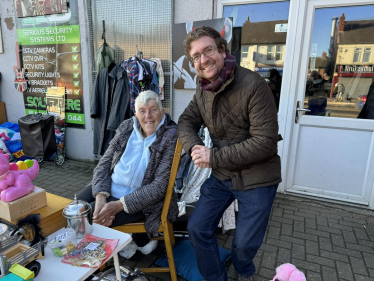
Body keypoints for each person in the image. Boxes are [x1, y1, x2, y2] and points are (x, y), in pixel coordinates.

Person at [177, 26, 281, 281]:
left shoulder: (254, 86)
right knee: (197, 228)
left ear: (222, 49)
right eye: (196, 57)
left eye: (208, 50)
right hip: (223, 176)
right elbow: (185, 122)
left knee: (244, 245)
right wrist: (193, 147)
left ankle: (244, 268)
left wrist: (213, 157)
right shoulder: (203, 90)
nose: (203, 60)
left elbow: (265, 142)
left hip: (257, 178)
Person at [78, 90, 178, 251]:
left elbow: (160, 186)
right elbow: (103, 164)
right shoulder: (126, 127)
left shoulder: (171, 136)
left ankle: (94, 260)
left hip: (141, 201)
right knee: (75, 209)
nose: (148, 116)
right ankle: (123, 243)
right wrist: (101, 197)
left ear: (162, 112)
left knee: (88, 219)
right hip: (110, 187)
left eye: (153, 109)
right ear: (136, 114)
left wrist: (117, 205)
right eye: (142, 111)